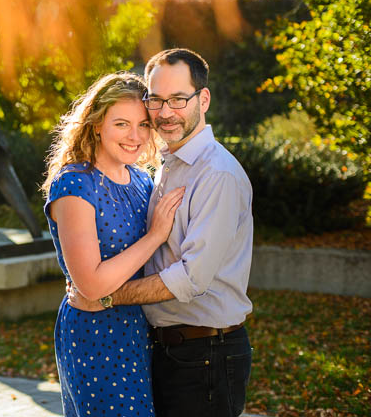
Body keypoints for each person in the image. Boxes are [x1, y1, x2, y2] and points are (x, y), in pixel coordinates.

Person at [69, 49, 254, 417]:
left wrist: (106, 297)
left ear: (203, 99)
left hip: (206, 355)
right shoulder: (165, 167)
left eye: (178, 99)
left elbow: (191, 277)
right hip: (165, 349)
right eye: (156, 100)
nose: (165, 112)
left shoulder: (216, 174)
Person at [42, 71, 185, 417]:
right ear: (96, 124)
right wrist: (154, 236)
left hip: (140, 328)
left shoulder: (141, 179)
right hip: (95, 332)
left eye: (143, 125)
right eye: (121, 124)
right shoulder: (75, 184)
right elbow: (90, 284)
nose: (135, 136)